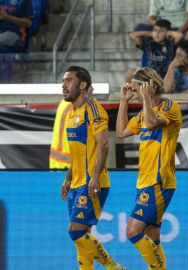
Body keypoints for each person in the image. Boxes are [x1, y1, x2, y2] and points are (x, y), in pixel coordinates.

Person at [116, 67, 182, 270]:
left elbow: (153, 124)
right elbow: (120, 132)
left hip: (159, 181)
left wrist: (146, 99)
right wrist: (124, 101)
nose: (135, 92)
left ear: (148, 86)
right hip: (144, 181)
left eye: (137, 88)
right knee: (152, 235)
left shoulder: (170, 107)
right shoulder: (143, 113)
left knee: (132, 231)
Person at [59, 66, 125, 270]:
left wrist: (95, 177)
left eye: (68, 80)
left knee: (76, 231)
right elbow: (78, 152)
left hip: (92, 182)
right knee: (82, 237)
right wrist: (68, 178)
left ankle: (113, 267)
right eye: (63, 81)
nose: (64, 86)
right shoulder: (71, 113)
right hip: (77, 182)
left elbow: (104, 144)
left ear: (83, 84)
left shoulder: (94, 109)